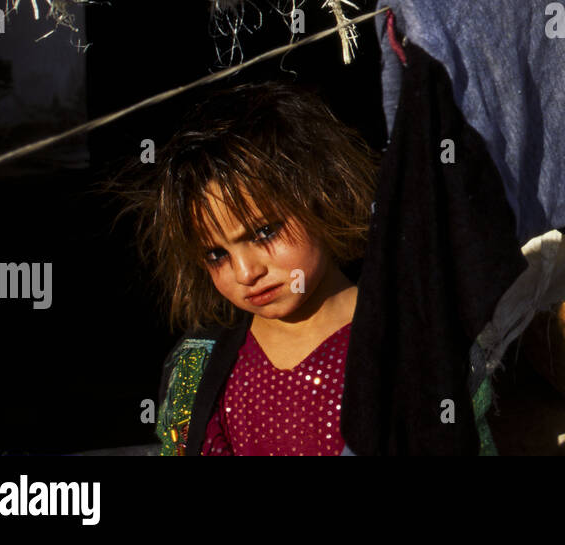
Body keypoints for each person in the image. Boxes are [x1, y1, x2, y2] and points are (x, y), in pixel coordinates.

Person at [110, 80, 378, 455]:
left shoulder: (406, 341)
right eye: (216, 255)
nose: (245, 272)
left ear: (322, 196)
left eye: (264, 232)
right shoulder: (197, 364)